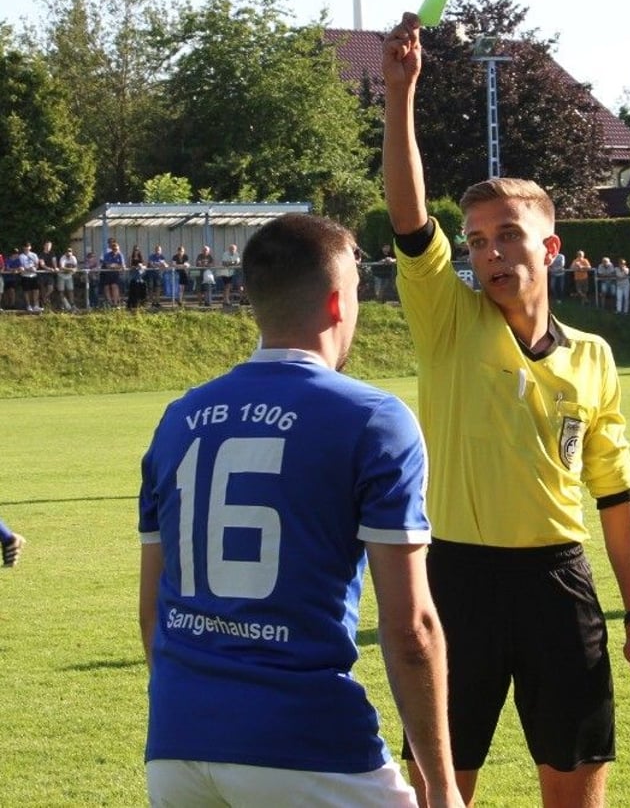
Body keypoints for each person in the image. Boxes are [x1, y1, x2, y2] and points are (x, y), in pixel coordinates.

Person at [383, 12, 630, 808]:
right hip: (456, 577)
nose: (490, 252)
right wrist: (400, 95)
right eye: (476, 240)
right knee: (442, 789)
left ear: (550, 246)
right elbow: (408, 217)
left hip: (556, 581)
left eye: (509, 235)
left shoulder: (594, 357)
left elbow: (616, 496)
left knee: (576, 787)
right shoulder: (447, 319)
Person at [137, 213, 462, 808]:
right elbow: (410, 627)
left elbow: (151, 613)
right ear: (339, 303)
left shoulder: (178, 418)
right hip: (308, 745)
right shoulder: (374, 418)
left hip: (178, 746)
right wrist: (442, 787)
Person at [57, 247, 78, 311]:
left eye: (70, 251)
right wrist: (71, 269)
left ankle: (72, 304)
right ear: (65, 252)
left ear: (72, 252)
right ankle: (63, 304)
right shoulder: (62, 258)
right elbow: (62, 267)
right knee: (61, 291)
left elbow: (76, 266)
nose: (69, 252)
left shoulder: (73, 258)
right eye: (68, 251)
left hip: (69, 276)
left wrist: (75, 269)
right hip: (61, 276)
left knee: (70, 290)